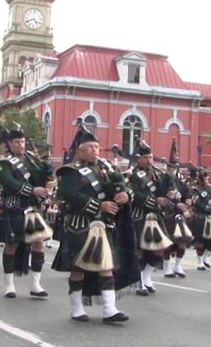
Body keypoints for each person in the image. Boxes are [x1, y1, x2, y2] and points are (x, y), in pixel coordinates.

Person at [51, 127, 139, 323]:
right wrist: (100, 206)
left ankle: (109, 310)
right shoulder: (69, 171)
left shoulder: (107, 168)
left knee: (105, 266)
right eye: (90, 148)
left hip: (103, 226)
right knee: (79, 269)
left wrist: (127, 195)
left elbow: (124, 186)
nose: (95, 151)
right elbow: (71, 196)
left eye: (97, 147)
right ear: (80, 150)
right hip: (79, 225)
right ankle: (77, 308)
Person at [0, 128, 54, 298]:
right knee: (12, 244)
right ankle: (9, 285)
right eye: (17, 142)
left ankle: (35, 284)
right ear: (10, 144)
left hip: (31, 206)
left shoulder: (31, 158)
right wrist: (33, 190)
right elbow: (9, 183)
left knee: (38, 242)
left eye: (22, 141)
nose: (21, 145)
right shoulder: (2, 161)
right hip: (14, 206)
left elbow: (38, 176)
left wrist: (49, 176)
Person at [127, 140, 173, 295]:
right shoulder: (132, 175)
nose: (149, 161)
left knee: (160, 247)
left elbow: (165, 187)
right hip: (140, 215)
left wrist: (169, 192)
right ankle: (138, 280)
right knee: (140, 248)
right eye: (146, 158)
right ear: (139, 159)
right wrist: (155, 200)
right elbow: (134, 194)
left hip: (155, 215)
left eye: (151, 157)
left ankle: (146, 276)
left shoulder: (158, 174)